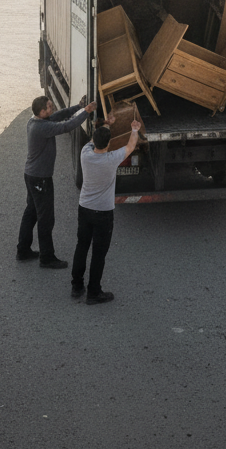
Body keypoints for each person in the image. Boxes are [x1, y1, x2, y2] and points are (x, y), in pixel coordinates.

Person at [17, 96, 96, 268]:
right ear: (42, 111)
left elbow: (59, 116)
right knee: (46, 219)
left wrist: (78, 107)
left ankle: (23, 250)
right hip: (40, 179)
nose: (52, 108)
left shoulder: (35, 120)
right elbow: (66, 126)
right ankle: (46, 257)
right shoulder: (42, 127)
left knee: (31, 212)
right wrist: (86, 112)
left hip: (31, 175)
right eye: (49, 106)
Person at [71, 114, 140, 305]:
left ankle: (76, 286)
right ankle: (94, 292)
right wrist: (134, 129)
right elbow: (131, 146)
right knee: (98, 254)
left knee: (81, 247)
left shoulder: (85, 153)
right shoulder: (111, 159)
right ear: (108, 144)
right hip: (103, 213)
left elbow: (93, 140)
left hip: (85, 208)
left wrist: (105, 125)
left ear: (94, 141)